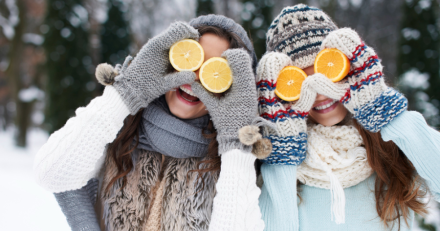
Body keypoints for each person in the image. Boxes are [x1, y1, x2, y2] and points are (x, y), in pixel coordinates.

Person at [33, 15, 265, 231]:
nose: (193, 79)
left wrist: (237, 141)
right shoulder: (118, 127)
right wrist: (126, 93)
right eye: (189, 59)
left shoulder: (237, 164)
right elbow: (51, 175)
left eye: (214, 72)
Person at [256, 4, 440, 231]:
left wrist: (381, 109)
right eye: (301, 82)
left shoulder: (394, 146)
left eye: (326, 73)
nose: (320, 91)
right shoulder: (276, 167)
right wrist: (282, 152)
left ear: (349, 70)